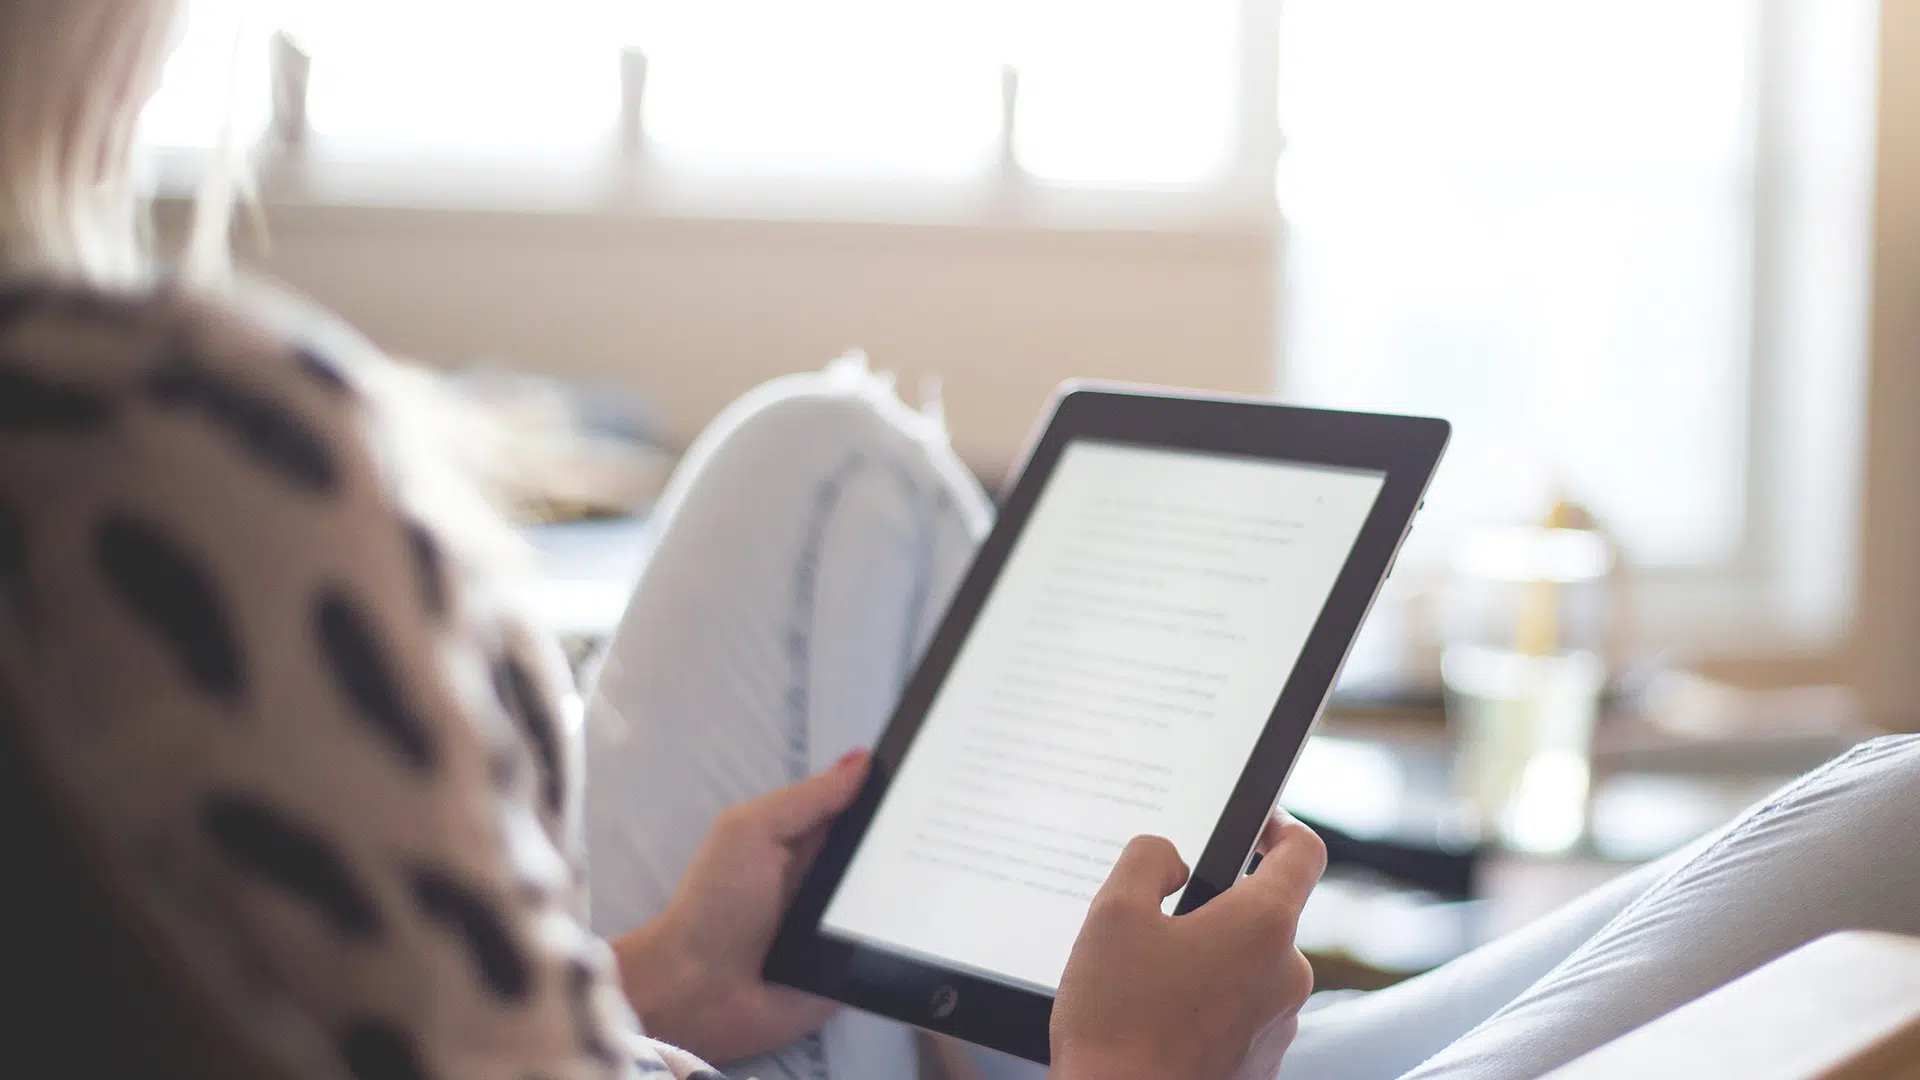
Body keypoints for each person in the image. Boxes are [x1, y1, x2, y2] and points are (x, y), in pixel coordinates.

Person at [0, 4, 1913, 1080]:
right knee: (1895, 819)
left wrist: (659, 982)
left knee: (826, 458)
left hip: (683, 1040)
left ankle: (975, 1026)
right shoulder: (155, 463)